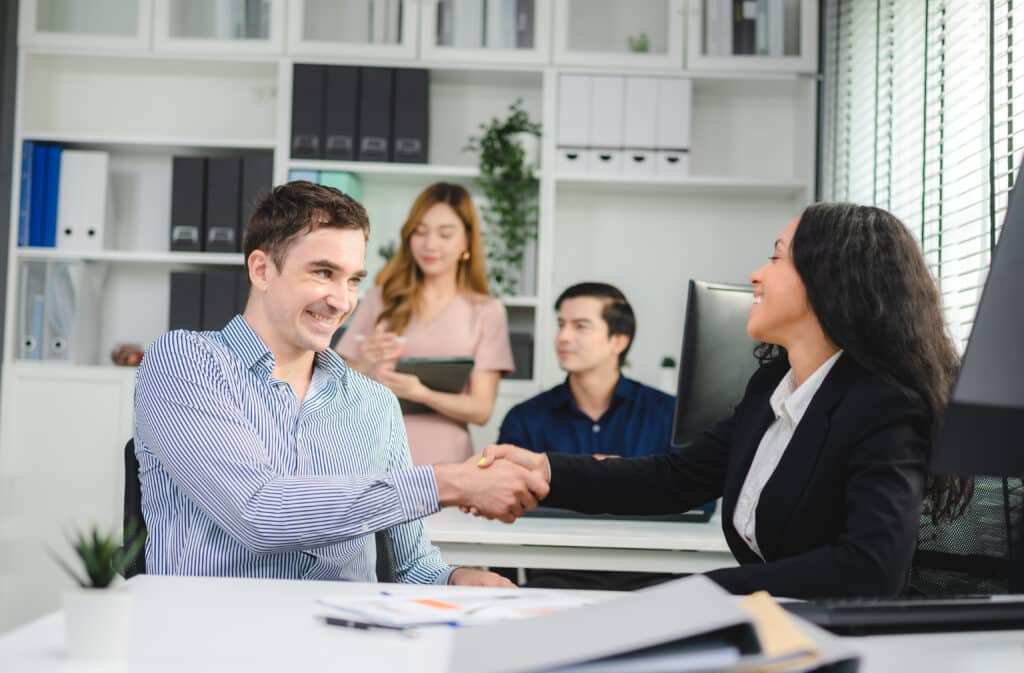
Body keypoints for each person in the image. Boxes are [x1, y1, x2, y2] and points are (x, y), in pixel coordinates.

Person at [478, 202, 971, 599]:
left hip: (845, 644)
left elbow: (869, 569)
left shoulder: (885, 405)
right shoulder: (772, 389)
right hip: (776, 628)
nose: (756, 274)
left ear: (830, 282)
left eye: (777, 257)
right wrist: (544, 470)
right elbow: (673, 479)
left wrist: (701, 593)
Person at [134, 181, 547, 586]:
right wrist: (450, 482)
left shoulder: (375, 404)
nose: (342, 301)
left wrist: (458, 579)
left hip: (347, 637)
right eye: (323, 273)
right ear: (261, 270)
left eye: (352, 280)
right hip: (215, 639)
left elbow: (411, 567)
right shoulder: (185, 363)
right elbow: (257, 514)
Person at [497, 282, 679, 590]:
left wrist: (582, 477)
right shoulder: (525, 417)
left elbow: (697, 498)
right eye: (561, 325)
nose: (563, 337)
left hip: (652, 573)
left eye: (580, 326)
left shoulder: (668, 414)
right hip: (555, 575)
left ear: (618, 341)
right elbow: (502, 494)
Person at [337, 182, 514, 466]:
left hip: (446, 459)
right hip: (375, 451)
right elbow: (334, 388)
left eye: (445, 234)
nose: (430, 244)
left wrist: (424, 394)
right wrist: (365, 363)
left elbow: (481, 409)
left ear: (467, 241)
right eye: (420, 231)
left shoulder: (486, 311)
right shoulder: (378, 299)